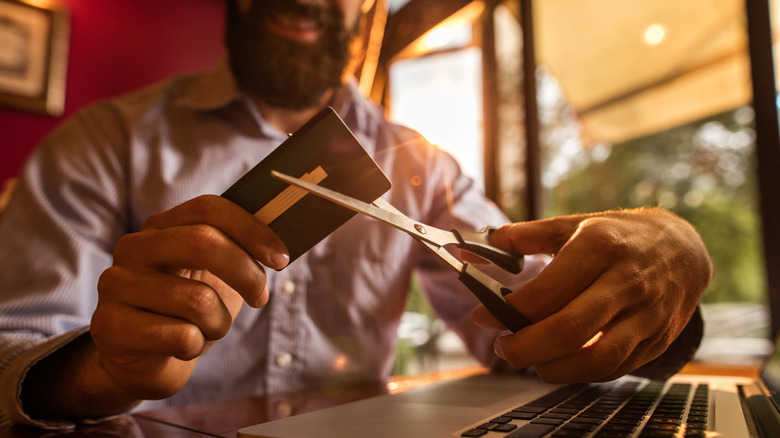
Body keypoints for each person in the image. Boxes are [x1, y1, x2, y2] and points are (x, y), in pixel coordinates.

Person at [0, 0, 712, 429]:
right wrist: (98, 370)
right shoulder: (104, 142)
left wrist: (656, 262)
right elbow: (10, 347)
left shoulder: (425, 166)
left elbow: (535, 317)